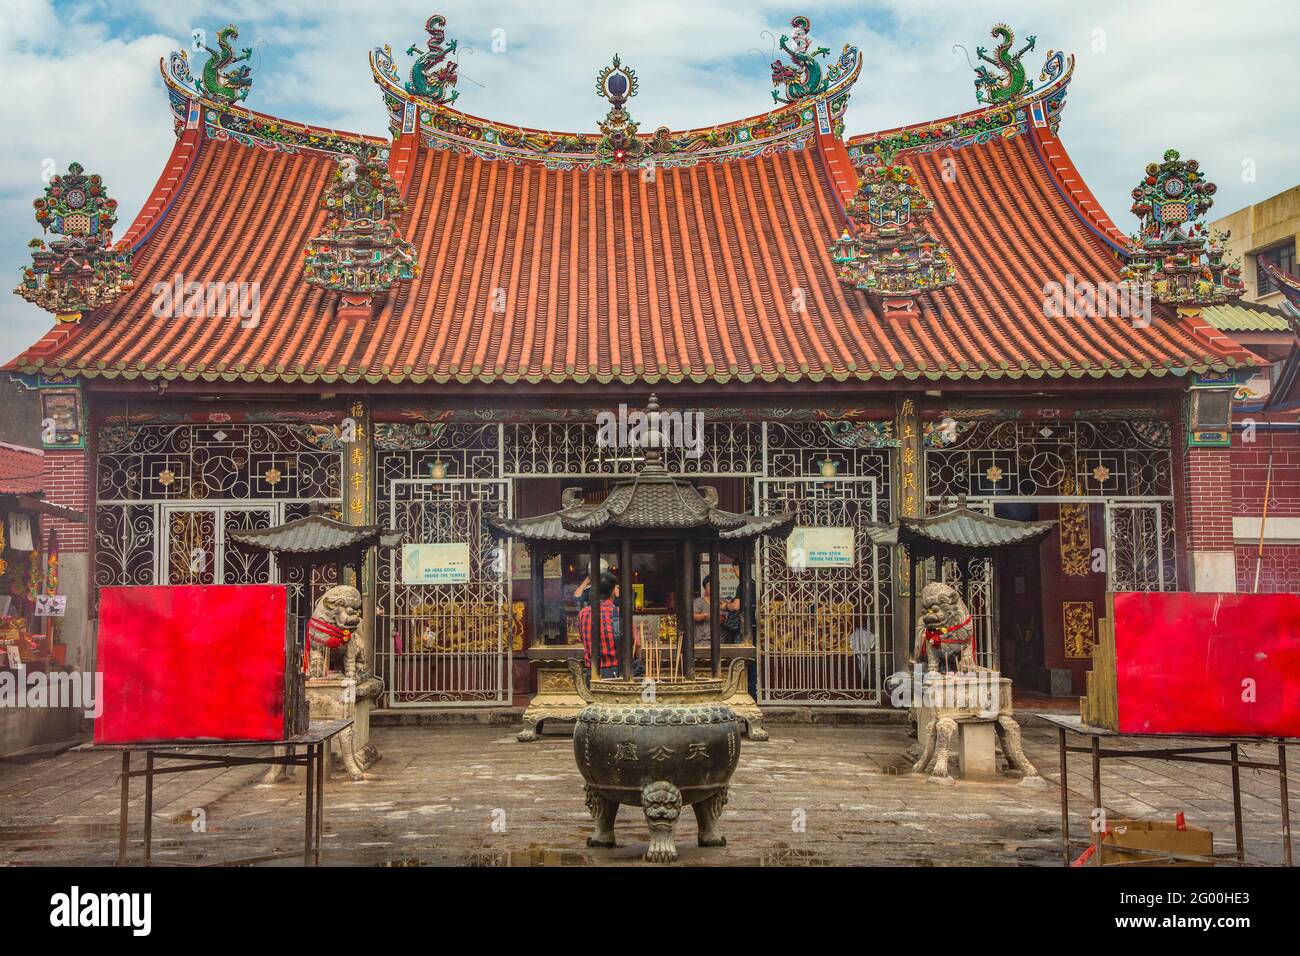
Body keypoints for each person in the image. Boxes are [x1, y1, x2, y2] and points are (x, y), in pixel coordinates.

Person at [577, 572, 642, 678]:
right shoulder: (621, 614)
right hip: (615, 675)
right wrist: (638, 661)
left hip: (591, 675)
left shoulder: (582, 614)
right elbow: (637, 644)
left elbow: (582, 640)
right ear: (613, 592)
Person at [693, 574, 741, 648]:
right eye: (709, 585)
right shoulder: (699, 602)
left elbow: (731, 619)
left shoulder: (723, 602)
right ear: (705, 588)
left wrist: (724, 619)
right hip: (702, 642)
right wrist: (704, 615)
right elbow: (692, 616)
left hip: (721, 642)